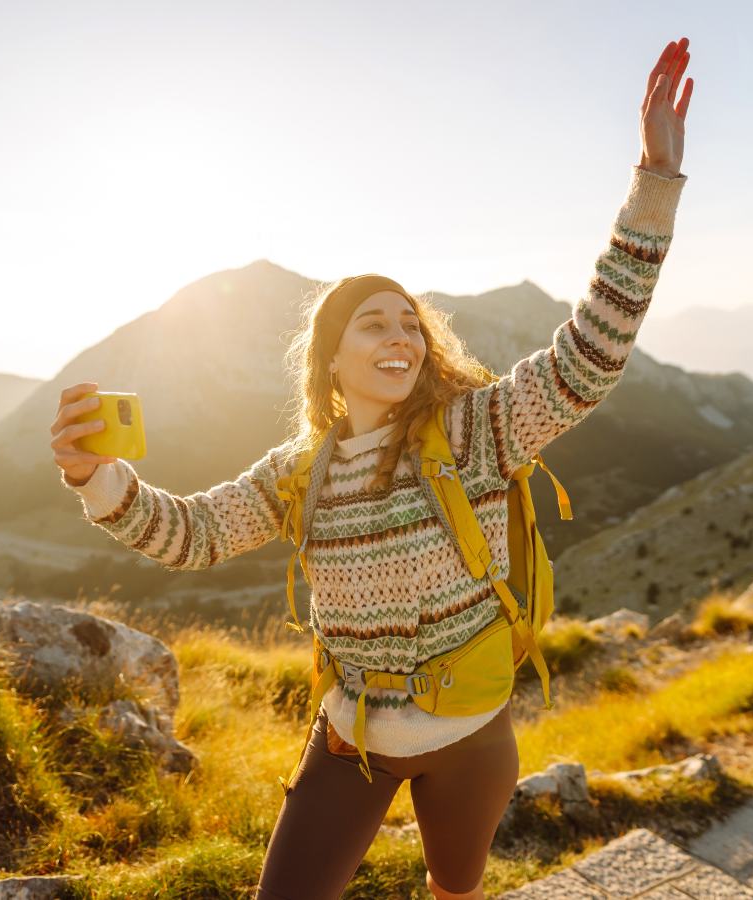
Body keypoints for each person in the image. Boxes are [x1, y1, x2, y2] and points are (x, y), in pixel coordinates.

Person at [50, 36, 693, 900]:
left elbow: (592, 352)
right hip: (348, 740)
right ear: (330, 363)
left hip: (472, 732)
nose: (399, 336)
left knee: (455, 888)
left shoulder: (477, 431)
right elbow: (191, 535)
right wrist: (96, 478)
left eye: (409, 324)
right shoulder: (298, 471)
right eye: (373, 324)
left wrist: (653, 182)